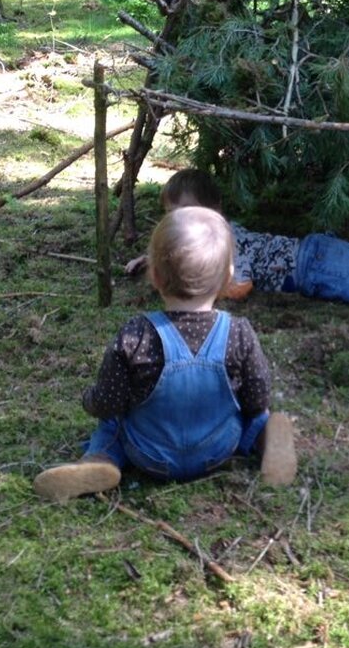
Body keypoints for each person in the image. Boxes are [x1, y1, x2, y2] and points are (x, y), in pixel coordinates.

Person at [34, 205, 296, 503]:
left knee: (111, 424)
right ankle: (266, 440)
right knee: (258, 417)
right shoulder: (239, 333)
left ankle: (100, 459)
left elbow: (108, 401)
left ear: (155, 276)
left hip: (148, 455)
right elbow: (257, 398)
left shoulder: (136, 335)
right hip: (218, 451)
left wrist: (88, 400)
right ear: (228, 277)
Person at [126, 169, 349, 303]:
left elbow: (241, 286)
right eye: (171, 217)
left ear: (215, 210)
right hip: (318, 250)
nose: (178, 224)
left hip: (315, 268)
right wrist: (157, 258)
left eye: (185, 214)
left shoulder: (224, 243)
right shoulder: (224, 230)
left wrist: (201, 290)